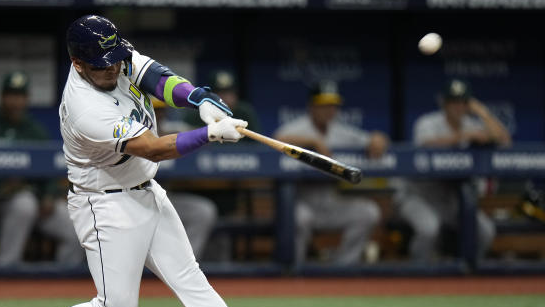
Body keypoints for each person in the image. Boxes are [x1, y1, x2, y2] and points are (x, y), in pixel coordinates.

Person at [0, 14, 299, 307]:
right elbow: (150, 147)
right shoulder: (85, 108)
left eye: (116, 60)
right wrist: (209, 134)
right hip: (104, 205)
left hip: (145, 190)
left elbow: (154, 76)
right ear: (78, 64)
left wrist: (197, 97)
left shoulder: (113, 54)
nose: (114, 68)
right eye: (103, 66)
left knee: (192, 281)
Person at [0, 71, 84, 267]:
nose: (16, 102)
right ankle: (5, 269)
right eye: (12, 96)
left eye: (21, 96)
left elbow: (49, 170)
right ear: (2, 97)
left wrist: (48, 194)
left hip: (36, 202)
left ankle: (60, 281)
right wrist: (0, 185)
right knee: (24, 204)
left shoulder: (34, 130)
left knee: (77, 225)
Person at [274, 82, 388, 266]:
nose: (329, 110)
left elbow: (373, 140)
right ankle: (294, 271)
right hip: (303, 203)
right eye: (323, 105)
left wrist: (379, 139)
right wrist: (312, 141)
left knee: (368, 212)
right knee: (298, 218)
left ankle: (343, 267)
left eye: (333, 105)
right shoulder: (297, 128)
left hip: (332, 202)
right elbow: (277, 139)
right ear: (312, 106)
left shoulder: (340, 131)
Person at [398, 79, 512, 262]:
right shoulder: (427, 122)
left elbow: (505, 141)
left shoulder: (471, 123)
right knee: (429, 228)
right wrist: (464, 136)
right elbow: (425, 145)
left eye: (462, 102)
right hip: (419, 195)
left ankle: (470, 277)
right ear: (444, 103)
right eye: (453, 102)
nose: (458, 107)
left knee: (485, 230)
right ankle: (418, 274)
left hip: (450, 198)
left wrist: (482, 113)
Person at [151, 98, 218, 260]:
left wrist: (172, 141)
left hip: (159, 200)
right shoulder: (124, 129)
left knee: (202, 211)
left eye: (160, 110)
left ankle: (184, 268)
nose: (156, 114)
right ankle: (80, 274)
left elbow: (205, 139)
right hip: (126, 200)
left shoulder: (172, 130)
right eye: (153, 109)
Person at [184, 69, 262, 133]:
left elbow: (257, 146)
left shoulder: (244, 112)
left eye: (229, 92)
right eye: (220, 93)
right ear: (209, 95)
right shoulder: (198, 113)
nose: (226, 98)